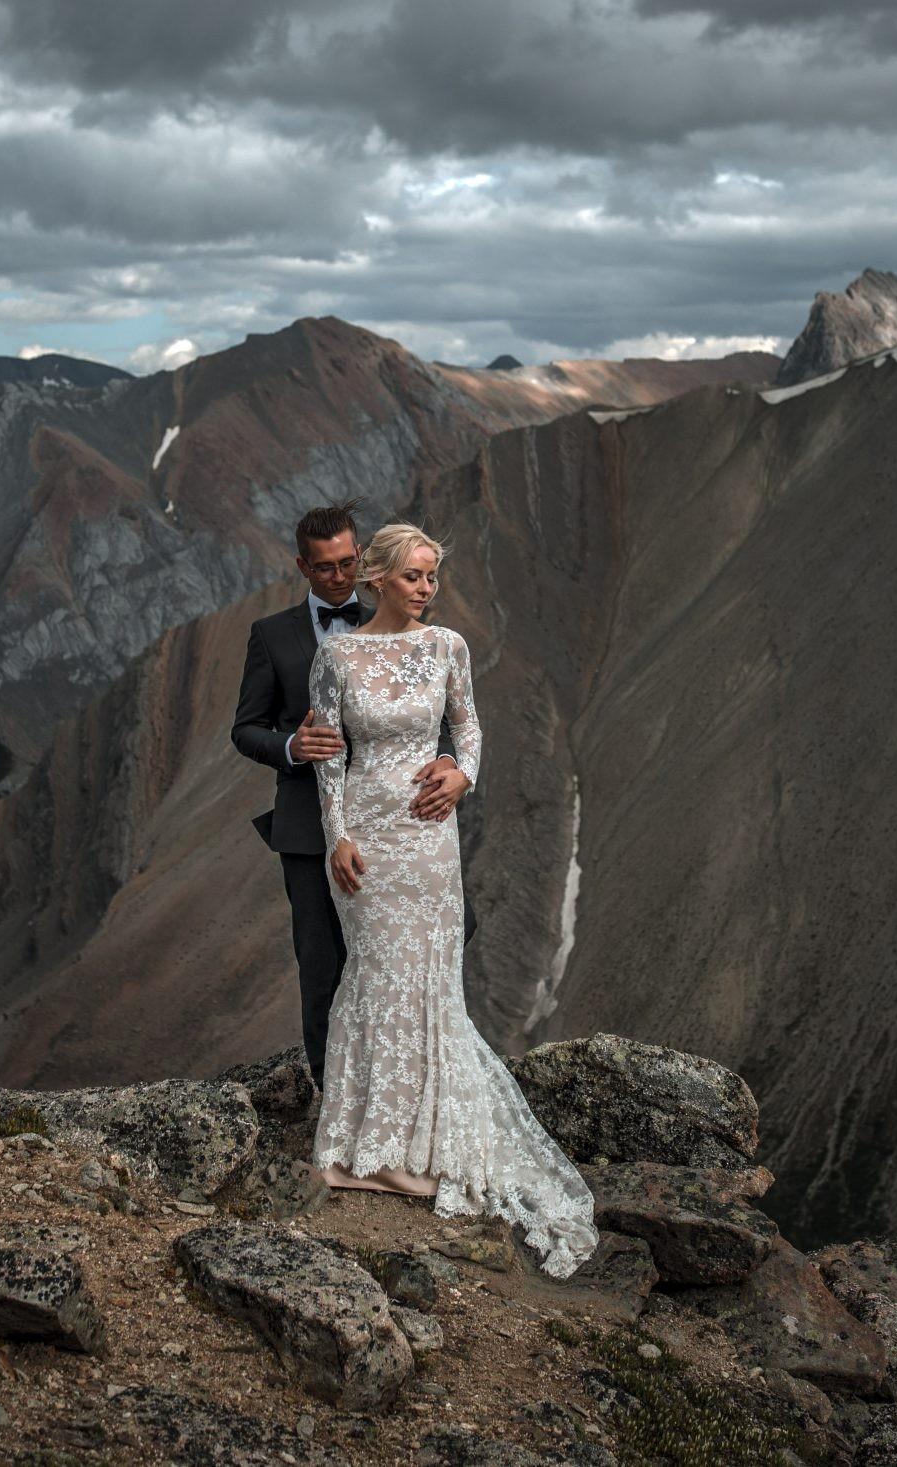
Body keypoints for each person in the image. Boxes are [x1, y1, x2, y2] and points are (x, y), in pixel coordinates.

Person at [303, 520, 598, 1279]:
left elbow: (469, 727)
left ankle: (423, 1148)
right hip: (367, 833)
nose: (427, 589)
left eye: (433, 575)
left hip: (431, 840)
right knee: (373, 972)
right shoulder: (336, 655)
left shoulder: (448, 649)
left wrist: (463, 775)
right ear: (377, 578)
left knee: (430, 981)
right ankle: (363, 1149)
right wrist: (336, 835)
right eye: (413, 576)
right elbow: (328, 759)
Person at [229, 499, 474, 1094]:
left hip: (400, 823)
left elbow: (439, 718)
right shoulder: (273, 636)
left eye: (347, 563)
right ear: (303, 567)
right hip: (312, 829)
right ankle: (332, 1097)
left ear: (362, 559)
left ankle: (407, 1088)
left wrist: (450, 761)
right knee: (323, 965)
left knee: (426, 946)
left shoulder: (394, 622)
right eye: (324, 568)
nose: (337, 577)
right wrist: (293, 746)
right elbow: (245, 728)